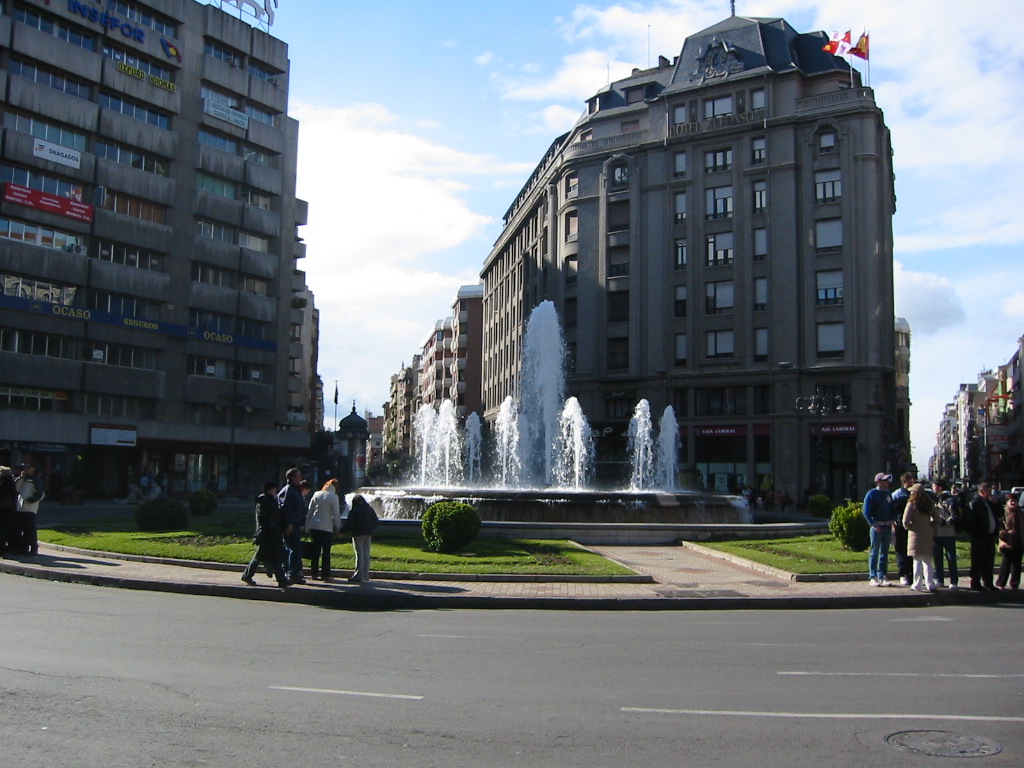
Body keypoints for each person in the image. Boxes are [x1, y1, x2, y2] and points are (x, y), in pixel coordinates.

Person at [242, 481, 290, 588]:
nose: (276, 491)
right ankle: (282, 580)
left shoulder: (271, 499)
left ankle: (247, 575)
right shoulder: (263, 500)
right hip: (269, 534)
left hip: (272, 533)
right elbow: (262, 518)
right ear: (269, 489)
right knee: (275, 556)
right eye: (274, 488)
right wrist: (269, 528)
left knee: (260, 556)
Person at [962, 481, 1000, 591]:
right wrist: (976, 534)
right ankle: (975, 582)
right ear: (982, 492)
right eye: (988, 492)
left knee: (989, 560)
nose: (990, 494)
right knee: (978, 560)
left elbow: (1000, 513)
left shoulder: (989, 502)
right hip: (979, 537)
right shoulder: (974, 503)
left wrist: (996, 503)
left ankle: (988, 582)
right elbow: (969, 522)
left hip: (989, 536)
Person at [902, 483, 940, 591]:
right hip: (927, 533)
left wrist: (910, 527)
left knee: (917, 560)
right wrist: (930, 526)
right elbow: (937, 519)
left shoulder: (911, 504)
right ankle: (930, 583)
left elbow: (905, 521)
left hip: (915, 534)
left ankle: (917, 584)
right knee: (927, 560)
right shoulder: (929, 504)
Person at [304, 479, 343, 581]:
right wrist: (339, 527)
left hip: (314, 526)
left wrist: (307, 525)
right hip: (326, 527)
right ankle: (325, 575)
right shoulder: (334, 497)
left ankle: (314, 574)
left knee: (315, 551)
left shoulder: (316, 494)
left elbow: (310, 511)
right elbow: (336, 514)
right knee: (326, 552)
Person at [862, 472, 895, 586]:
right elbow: (866, 511)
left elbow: (892, 508)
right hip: (877, 526)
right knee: (874, 552)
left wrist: (892, 519)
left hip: (887, 526)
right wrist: (873, 524)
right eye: (884, 480)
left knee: (884, 552)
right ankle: (873, 576)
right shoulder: (871, 494)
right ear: (878, 482)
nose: (887, 483)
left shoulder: (888, 494)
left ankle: (883, 575)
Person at [278, 467, 307, 584]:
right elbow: (286, 509)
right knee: (294, 549)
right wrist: (288, 523)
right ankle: (293, 574)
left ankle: (289, 572)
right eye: (299, 476)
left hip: (295, 523)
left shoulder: (294, 490)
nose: (301, 478)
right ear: (293, 478)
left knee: (291, 548)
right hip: (290, 525)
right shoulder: (289, 490)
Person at [931, 479, 960, 589]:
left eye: (934, 486)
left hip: (948, 532)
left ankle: (953, 581)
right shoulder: (935, 499)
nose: (933, 488)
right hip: (936, 532)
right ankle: (939, 579)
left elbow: (955, 516)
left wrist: (945, 522)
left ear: (939, 487)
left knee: (950, 557)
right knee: (937, 557)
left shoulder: (950, 500)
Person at [889, 472, 916, 586]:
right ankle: (903, 574)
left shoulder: (914, 494)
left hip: (912, 526)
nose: (911, 484)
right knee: (901, 550)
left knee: (912, 551)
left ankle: (911, 574)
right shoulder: (897, 495)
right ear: (904, 482)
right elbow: (892, 509)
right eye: (909, 482)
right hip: (900, 526)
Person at [345, 494, 378, 582]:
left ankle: (359, 575)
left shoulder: (355, 510)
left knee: (359, 553)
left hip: (358, 533)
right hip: (368, 533)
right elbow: (375, 520)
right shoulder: (370, 509)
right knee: (366, 553)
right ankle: (365, 575)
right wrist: (371, 529)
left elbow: (350, 523)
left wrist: (342, 531)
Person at [14, 463, 44, 556]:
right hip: (21, 507)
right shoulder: (25, 479)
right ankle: (23, 547)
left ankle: (33, 547)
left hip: (30, 507)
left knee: (30, 528)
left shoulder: (36, 479)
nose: (27, 469)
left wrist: (31, 500)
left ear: (34, 469)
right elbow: (17, 489)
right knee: (22, 528)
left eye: (29, 467)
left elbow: (40, 493)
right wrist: (21, 478)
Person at [996, 493, 1023, 590]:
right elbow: (999, 526)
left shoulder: (1021, 513)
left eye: (1014, 501)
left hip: (1019, 541)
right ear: (1007, 502)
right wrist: (1004, 534)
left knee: (1017, 564)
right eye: (1010, 501)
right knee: (1006, 563)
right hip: (1007, 542)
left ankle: (1014, 584)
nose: (1013, 503)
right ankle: (1001, 583)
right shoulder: (1003, 512)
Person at [0, 466, 19, 556]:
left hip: (4, 510)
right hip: (10, 510)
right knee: (8, 530)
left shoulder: (5, 483)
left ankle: (2, 548)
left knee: (3, 530)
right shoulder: (11, 482)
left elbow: (4, 496)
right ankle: (11, 547)